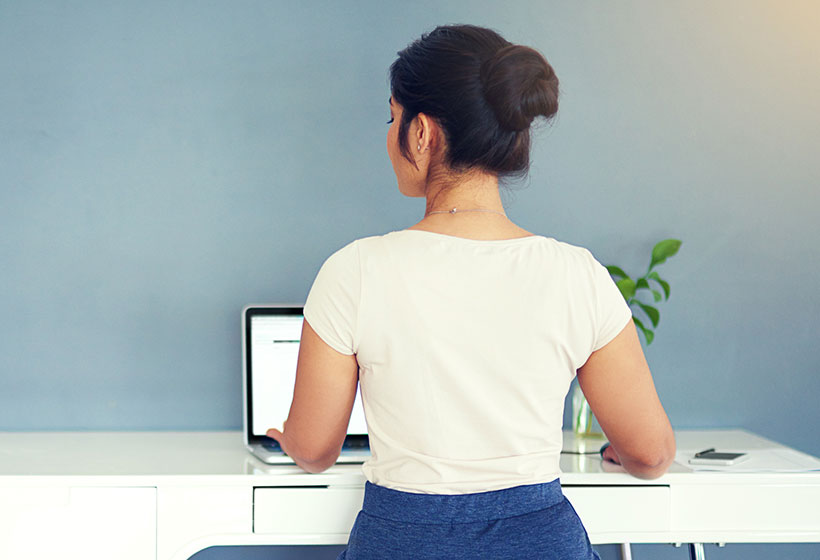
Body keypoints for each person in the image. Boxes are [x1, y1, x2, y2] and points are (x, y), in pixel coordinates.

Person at [265, 24, 676, 559]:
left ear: (423, 133)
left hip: (403, 542)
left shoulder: (354, 271)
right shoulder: (577, 274)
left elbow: (316, 449)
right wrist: (625, 452)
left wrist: (289, 439)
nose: (390, 133)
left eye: (393, 117)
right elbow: (650, 454)